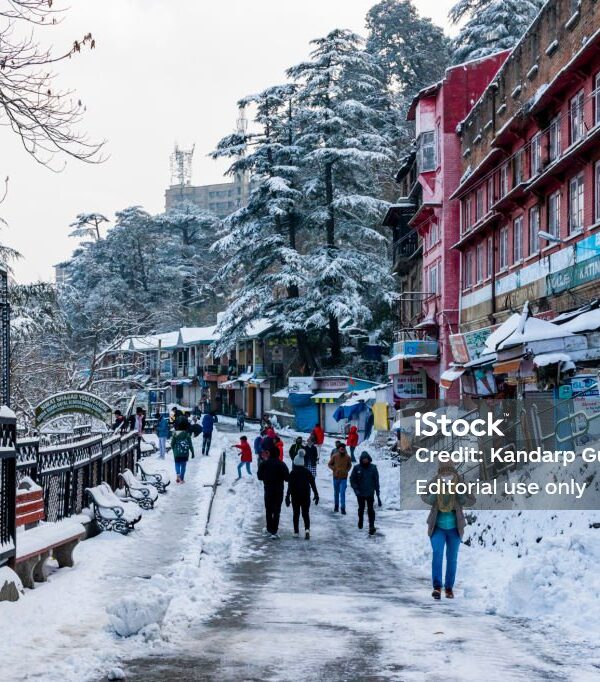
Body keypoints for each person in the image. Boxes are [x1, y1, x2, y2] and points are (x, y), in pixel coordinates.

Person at [421, 463, 476, 600]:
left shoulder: (459, 482)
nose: (446, 474)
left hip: (455, 528)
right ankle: (437, 587)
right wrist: (435, 495)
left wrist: (459, 495)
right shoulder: (435, 481)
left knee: (452, 559)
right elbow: (424, 495)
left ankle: (449, 588)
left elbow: (471, 500)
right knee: (437, 555)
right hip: (437, 527)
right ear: (439, 471)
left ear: (453, 471)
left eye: (449, 471)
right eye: (443, 471)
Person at [257, 445, 290, 538]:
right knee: (276, 511)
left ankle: (269, 529)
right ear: (278, 454)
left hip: (268, 490)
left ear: (270, 453)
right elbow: (287, 478)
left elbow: (259, 477)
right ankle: (274, 531)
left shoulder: (264, 464)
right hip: (279, 491)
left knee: (268, 510)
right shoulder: (282, 464)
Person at [285, 451, 319, 539]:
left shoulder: (293, 473)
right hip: (306, 495)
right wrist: (316, 494)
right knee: (305, 513)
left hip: (295, 496)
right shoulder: (307, 472)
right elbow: (313, 484)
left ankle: (296, 532)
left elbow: (290, 486)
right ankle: (307, 530)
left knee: (296, 514)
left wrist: (287, 496)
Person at [350, 451, 381, 536]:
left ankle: (371, 526)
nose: (365, 460)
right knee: (361, 508)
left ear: (369, 459)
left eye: (366, 459)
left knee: (370, 510)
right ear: (361, 459)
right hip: (360, 493)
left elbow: (376, 481)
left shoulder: (373, 468)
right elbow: (352, 480)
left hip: (370, 492)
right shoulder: (357, 468)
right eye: (363, 459)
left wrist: (378, 494)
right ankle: (360, 519)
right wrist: (356, 489)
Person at [328, 443, 352, 514]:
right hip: (336, 477)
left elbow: (350, 465)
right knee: (336, 493)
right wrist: (334, 469)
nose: (342, 450)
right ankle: (336, 506)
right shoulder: (335, 456)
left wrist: (346, 471)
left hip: (344, 478)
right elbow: (329, 464)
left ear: (344, 449)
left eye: (343, 449)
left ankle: (343, 508)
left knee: (342, 493)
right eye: (341, 449)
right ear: (339, 449)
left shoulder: (348, 457)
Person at [171, 417, 195, 483]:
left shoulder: (175, 434)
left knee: (177, 464)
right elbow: (190, 445)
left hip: (177, 453)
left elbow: (172, 444)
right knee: (183, 465)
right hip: (184, 453)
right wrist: (192, 452)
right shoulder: (187, 435)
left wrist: (174, 449)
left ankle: (178, 475)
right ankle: (182, 479)